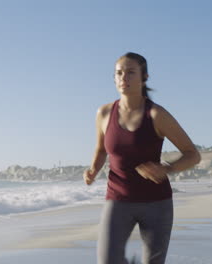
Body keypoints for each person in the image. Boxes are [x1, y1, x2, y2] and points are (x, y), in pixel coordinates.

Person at [83, 52, 201, 264]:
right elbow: (102, 149)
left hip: (157, 203)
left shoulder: (156, 115)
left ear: (144, 77)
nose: (123, 78)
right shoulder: (104, 113)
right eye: (119, 73)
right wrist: (93, 169)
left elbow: (193, 155)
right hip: (118, 199)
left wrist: (167, 168)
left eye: (130, 73)